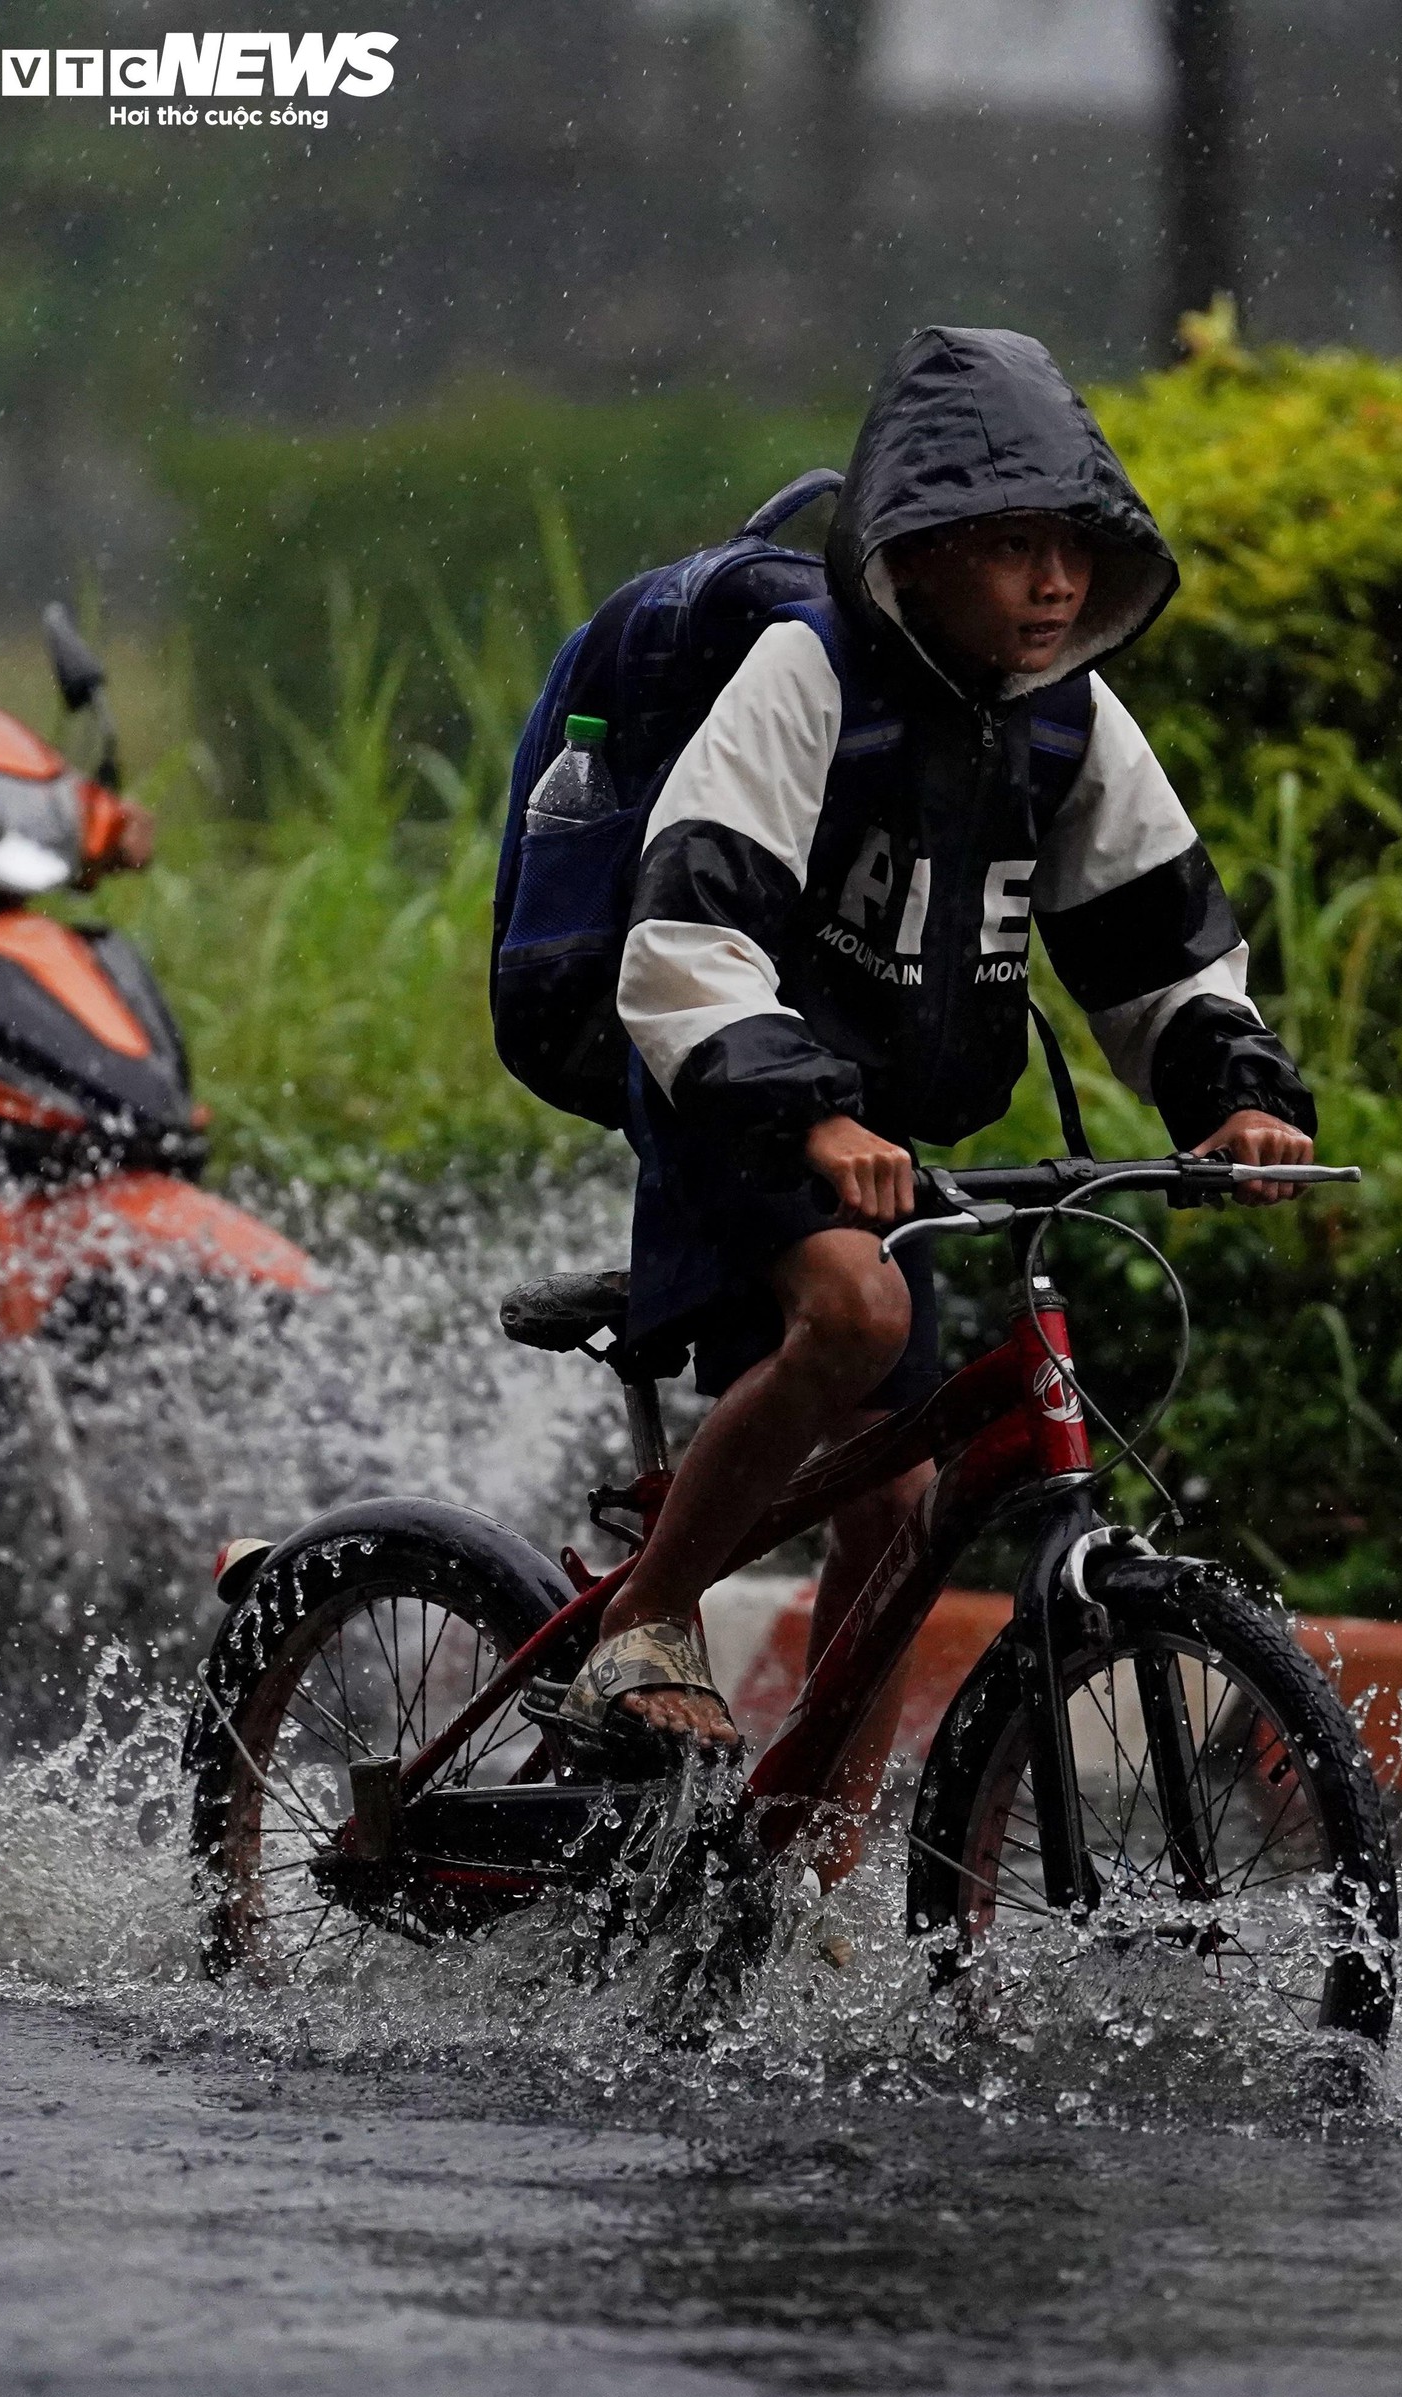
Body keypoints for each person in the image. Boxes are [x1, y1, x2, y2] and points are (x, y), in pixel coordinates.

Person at [556, 325, 1319, 1866]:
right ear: (923, 549)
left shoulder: (1067, 715)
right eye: (1016, 548)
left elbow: (1159, 945)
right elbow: (684, 932)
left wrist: (1231, 1094)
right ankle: (640, 1626)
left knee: (900, 1517)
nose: (1055, 585)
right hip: (733, 1092)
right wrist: (808, 1114)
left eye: (1076, 552)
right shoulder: (810, 670)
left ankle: (819, 1861)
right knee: (859, 1316)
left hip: (881, 1139)